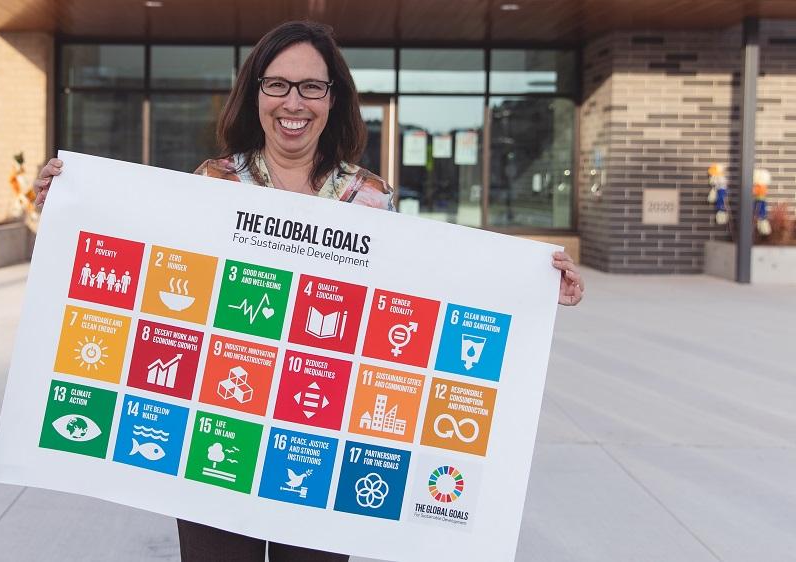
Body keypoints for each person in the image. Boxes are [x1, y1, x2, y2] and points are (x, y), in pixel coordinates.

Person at [33, 19, 583, 562]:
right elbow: (150, 266)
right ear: (255, 95)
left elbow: (422, 294)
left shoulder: (370, 200)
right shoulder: (212, 184)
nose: (293, 102)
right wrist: (69, 206)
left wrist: (530, 284)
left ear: (332, 99)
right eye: (277, 84)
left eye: (311, 87)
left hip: (326, 435)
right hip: (219, 426)